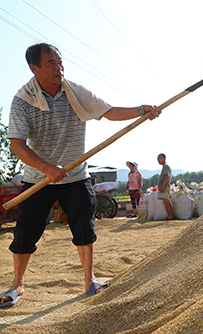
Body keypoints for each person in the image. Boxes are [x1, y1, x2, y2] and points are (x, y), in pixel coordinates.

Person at [1, 43, 161, 308]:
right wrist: (47, 169)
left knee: (85, 227)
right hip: (39, 179)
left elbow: (108, 112)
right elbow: (16, 144)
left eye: (60, 62)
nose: (59, 67)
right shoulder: (23, 101)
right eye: (51, 63)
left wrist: (141, 110)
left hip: (75, 177)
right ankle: (17, 283)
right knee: (25, 232)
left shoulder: (76, 92)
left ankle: (90, 279)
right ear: (34, 68)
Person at [157, 153, 173, 220]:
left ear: (164, 158)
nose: (158, 160)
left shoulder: (165, 166)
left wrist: (163, 186)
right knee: (167, 201)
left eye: (160, 158)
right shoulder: (165, 166)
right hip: (166, 186)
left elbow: (167, 176)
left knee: (166, 201)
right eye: (158, 159)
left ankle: (170, 216)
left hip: (165, 186)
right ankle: (171, 215)